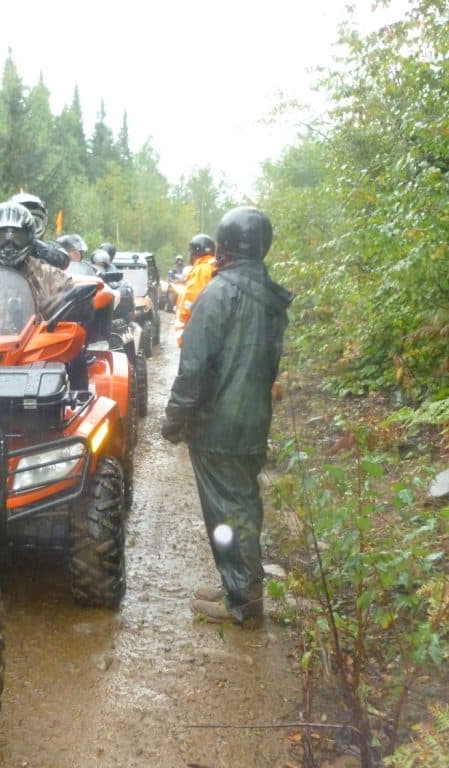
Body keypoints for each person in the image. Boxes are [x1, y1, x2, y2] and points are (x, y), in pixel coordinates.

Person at [160, 207, 293, 628]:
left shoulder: (218, 295)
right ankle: (239, 583)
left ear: (227, 244)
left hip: (218, 428)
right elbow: (270, 366)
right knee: (244, 505)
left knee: (227, 513)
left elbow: (194, 370)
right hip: (253, 421)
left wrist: (173, 420)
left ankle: (242, 600)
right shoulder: (271, 298)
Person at [0, 201, 77, 318]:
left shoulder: (48, 276)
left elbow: (78, 302)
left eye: (17, 238)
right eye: (1, 238)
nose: (9, 246)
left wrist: (65, 302)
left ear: (30, 238)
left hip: (36, 336)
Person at [172, 234, 217, 347]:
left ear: (196, 252)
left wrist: (182, 332)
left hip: (195, 336)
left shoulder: (202, 270)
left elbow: (191, 299)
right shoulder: (212, 266)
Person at [8, 192, 70, 269]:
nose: (26, 229)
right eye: (21, 224)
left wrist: (32, 244)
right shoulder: (2, 246)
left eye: (34, 224)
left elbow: (63, 260)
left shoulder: (49, 247)